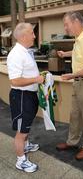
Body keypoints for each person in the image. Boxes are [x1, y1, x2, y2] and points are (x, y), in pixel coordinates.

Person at [56, 11, 83, 160]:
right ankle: (72, 142)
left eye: (66, 24)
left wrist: (72, 75)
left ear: (76, 22)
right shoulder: (79, 39)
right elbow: (79, 53)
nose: (65, 28)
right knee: (75, 115)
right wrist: (65, 54)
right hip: (79, 82)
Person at [7, 23, 44, 172]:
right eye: (32, 33)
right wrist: (36, 79)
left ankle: (26, 144)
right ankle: (21, 161)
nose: (34, 36)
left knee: (26, 124)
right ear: (23, 36)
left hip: (29, 95)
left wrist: (37, 78)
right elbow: (15, 80)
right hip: (21, 96)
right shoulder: (16, 54)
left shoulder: (25, 51)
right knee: (21, 131)